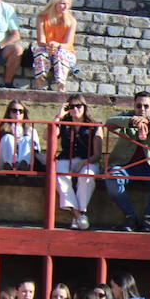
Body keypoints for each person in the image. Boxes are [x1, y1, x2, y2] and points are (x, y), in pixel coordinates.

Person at [104, 92, 150, 232]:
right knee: (112, 179)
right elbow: (109, 122)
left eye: (146, 106)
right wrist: (131, 121)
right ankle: (130, 217)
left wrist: (149, 123)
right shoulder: (128, 116)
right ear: (134, 106)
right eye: (139, 105)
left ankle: (147, 219)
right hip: (126, 166)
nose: (142, 109)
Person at [52, 95, 101, 230]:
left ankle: (78, 215)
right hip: (66, 158)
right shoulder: (64, 124)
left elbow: (97, 155)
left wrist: (84, 162)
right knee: (60, 175)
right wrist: (59, 116)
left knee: (86, 176)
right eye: (71, 106)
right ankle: (79, 215)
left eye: (78, 106)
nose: (75, 109)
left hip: (88, 160)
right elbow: (48, 135)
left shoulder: (94, 126)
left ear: (84, 107)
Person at [31, 0, 77, 91]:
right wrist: (49, 46)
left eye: (67, 4)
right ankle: (40, 81)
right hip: (47, 49)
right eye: (62, 4)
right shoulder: (41, 17)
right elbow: (41, 41)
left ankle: (61, 84)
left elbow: (68, 44)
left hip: (65, 52)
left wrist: (57, 46)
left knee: (60, 53)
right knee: (39, 51)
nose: (65, 7)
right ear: (54, 4)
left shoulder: (71, 21)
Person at [0, 100, 40, 171]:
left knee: (27, 139)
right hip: (2, 162)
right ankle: (10, 165)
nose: (17, 113)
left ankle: (23, 166)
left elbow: (37, 150)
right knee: (8, 137)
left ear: (24, 114)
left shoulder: (31, 130)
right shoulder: (0, 127)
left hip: (24, 163)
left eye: (21, 111)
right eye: (14, 111)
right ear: (9, 112)